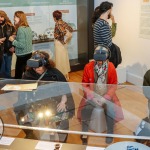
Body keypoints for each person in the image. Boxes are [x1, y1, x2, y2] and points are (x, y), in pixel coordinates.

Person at [14, 50, 75, 142]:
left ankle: (62, 140)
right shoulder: (28, 75)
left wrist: (63, 101)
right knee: (20, 114)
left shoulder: (55, 74)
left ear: (45, 64)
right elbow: (23, 95)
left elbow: (65, 91)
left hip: (54, 102)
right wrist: (26, 111)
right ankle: (30, 134)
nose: (37, 69)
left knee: (63, 115)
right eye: (34, 67)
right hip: (35, 104)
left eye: (40, 66)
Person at [78, 45, 123, 144]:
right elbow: (84, 84)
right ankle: (84, 132)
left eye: (101, 60)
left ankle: (110, 133)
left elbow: (113, 85)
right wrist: (92, 97)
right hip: (92, 95)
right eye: (97, 60)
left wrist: (105, 98)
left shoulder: (111, 67)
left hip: (106, 95)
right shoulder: (88, 67)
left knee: (111, 110)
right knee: (86, 110)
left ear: (107, 58)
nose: (99, 62)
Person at [9, 11, 32, 79]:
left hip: (22, 55)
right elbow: (26, 40)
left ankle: (17, 88)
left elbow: (21, 45)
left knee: (18, 75)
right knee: (27, 73)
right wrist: (17, 37)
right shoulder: (27, 27)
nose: (14, 19)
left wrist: (12, 40)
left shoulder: (20, 29)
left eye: (15, 17)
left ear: (20, 18)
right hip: (28, 53)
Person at [53, 10, 73, 81]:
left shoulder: (57, 24)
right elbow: (71, 29)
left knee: (60, 60)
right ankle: (66, 76)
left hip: (59, 44)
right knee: (64, 59)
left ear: (55, 17)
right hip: (64, 44)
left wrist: (56, 36)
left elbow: (63, 32)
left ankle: (61, 76)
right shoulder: (64, 22)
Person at [0, 10, 16, 78]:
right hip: (0, 52)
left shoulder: (10, 26)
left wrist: (13, 47)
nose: (0, 19)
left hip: (9, 51)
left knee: (8, 70)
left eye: (1, 17)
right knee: (1, 70)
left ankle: (9, 84)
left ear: (5, 17)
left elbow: (15, 37)